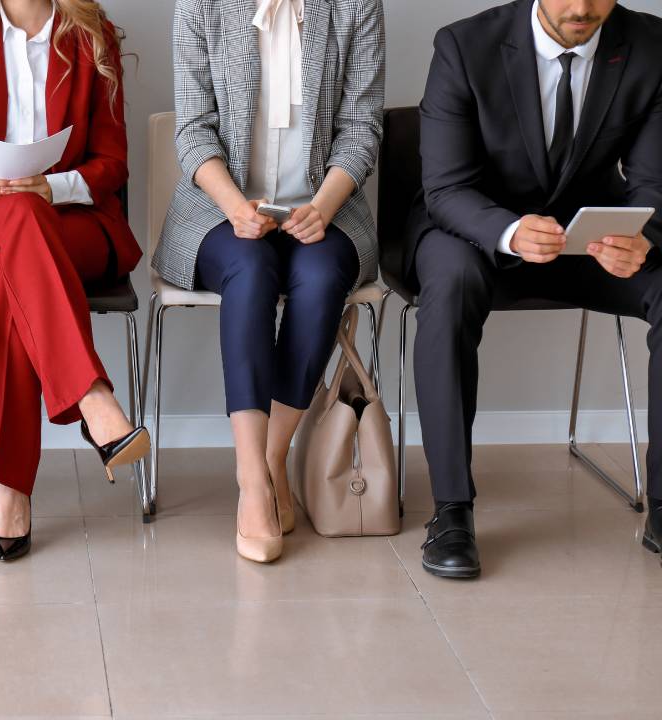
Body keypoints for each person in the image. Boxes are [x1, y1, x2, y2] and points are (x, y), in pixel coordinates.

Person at [409, 0, 662, 578]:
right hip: (473, 229)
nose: (581, 8)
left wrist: (643, 236)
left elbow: (654, 183)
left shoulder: (650, 46)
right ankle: (451, 511)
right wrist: (509, 231)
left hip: (585, 238)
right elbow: (445, 188)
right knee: (449, 284)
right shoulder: (463, 45)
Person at [0, 0, 149, 562]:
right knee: (17, 227)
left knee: (15, 272)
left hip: (74, 224)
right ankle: (92, 397)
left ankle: (11, 490)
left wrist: (53, 187)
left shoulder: (95, 34)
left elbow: (112, 162)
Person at [157, 0, 384, 562]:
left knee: (323, 273)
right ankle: (253, 482)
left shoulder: (356, 7)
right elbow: (193, 130)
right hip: (218, 209)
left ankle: (270, 459)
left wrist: (325, 207)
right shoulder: (200, 6)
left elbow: (361, 127)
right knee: (251, 270)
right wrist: (236, 207)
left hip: (325, 207)